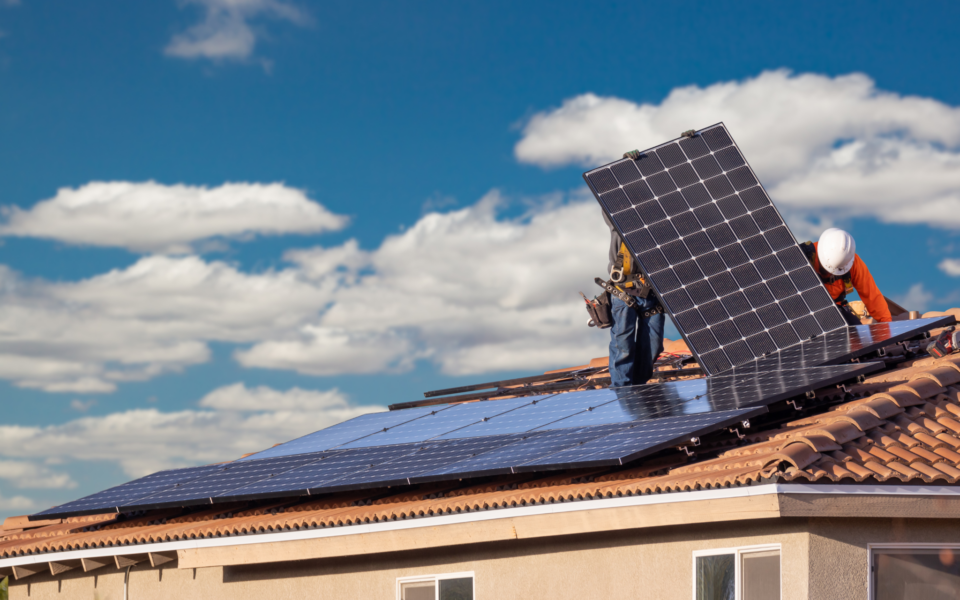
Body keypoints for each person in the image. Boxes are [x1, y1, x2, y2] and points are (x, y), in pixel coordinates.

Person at [603, 211, 665, 387]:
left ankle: (637, 388)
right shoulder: (620, 217)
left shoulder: (659, 224)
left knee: (654, 346)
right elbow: (612, 211)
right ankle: (622, 391)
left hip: (651, 292)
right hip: (624, 291)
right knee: (623, 347)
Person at [802, 228, 891, 325]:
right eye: (827, 269)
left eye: (836, 272)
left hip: (834, 312)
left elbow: (873, 297)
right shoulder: (800, 257)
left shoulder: (853, 263)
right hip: (802, 310)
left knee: (856, 334)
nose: (831, 274)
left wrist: (888, 326)